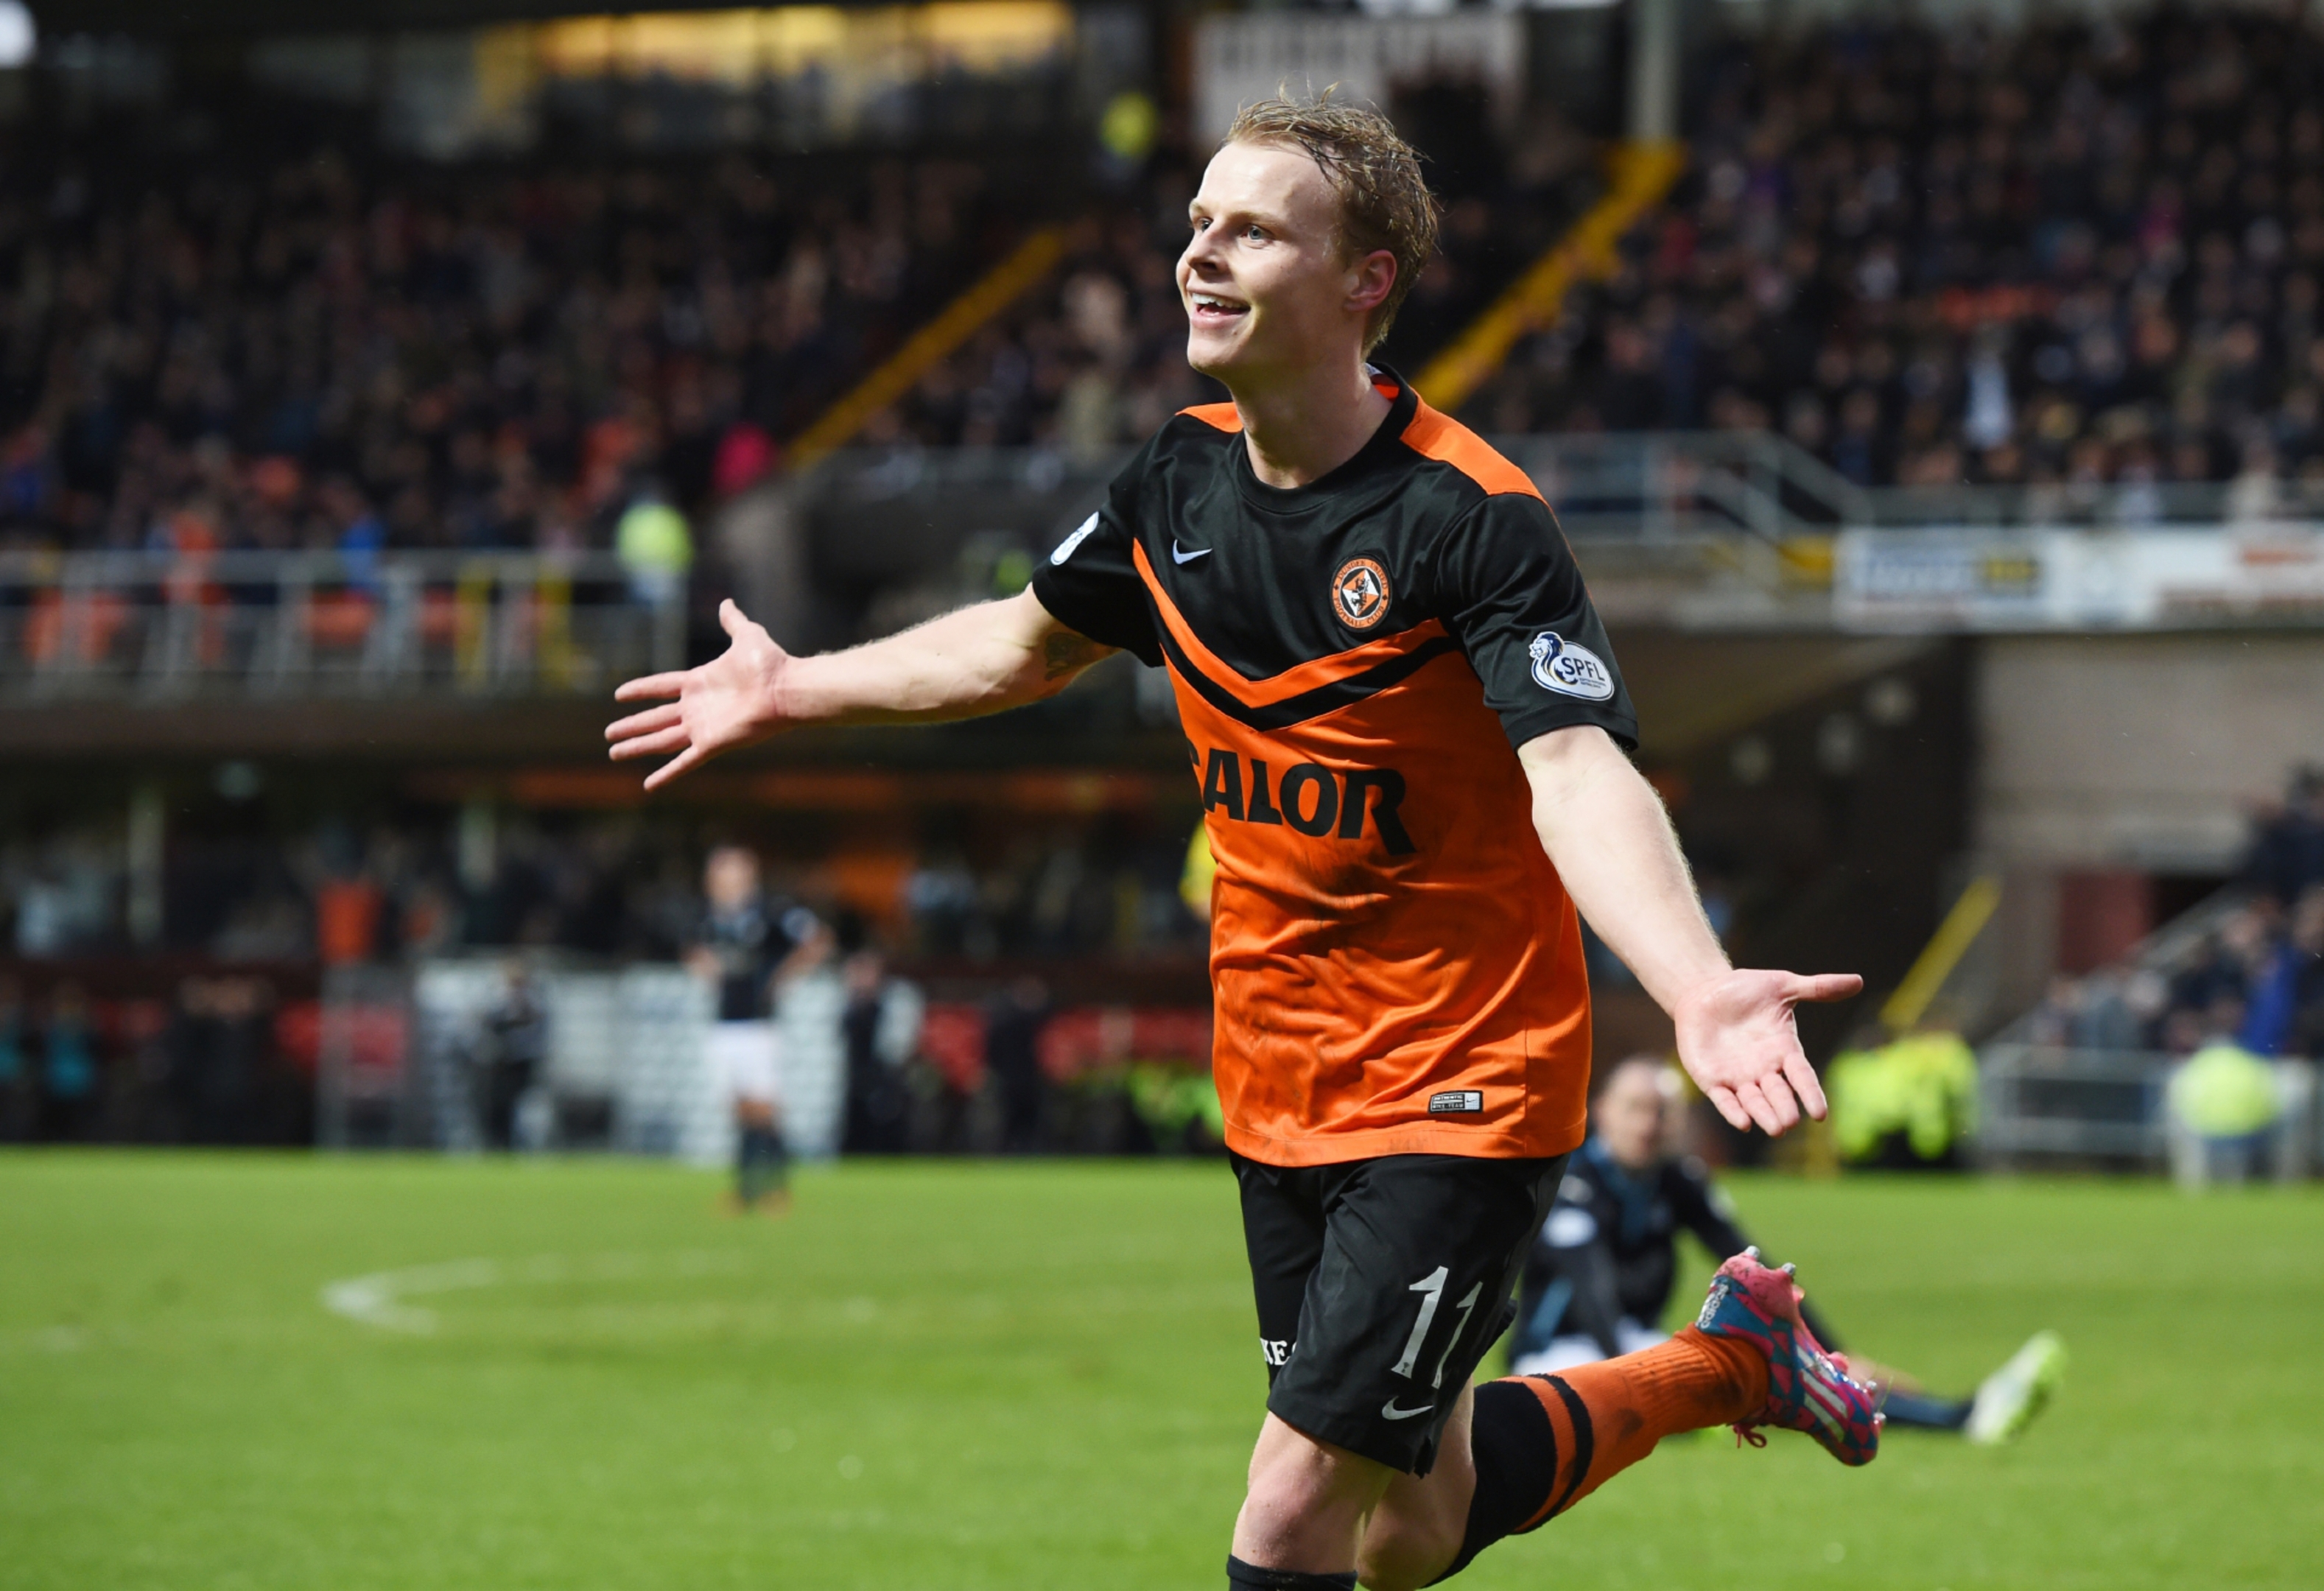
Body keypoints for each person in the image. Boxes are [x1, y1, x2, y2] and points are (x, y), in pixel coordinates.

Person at [608, 96, 1875, 1591]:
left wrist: (1693, 984)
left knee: (1283, 1518)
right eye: (1199, 222)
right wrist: (794, 684)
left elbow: (1575, 770)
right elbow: (1018, 647)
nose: (1199, 256)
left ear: (1364, 282)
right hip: (1275, 1075)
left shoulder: (1468, 518)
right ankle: (1731, 1362)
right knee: (1411, 1524)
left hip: (1459, 1083)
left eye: (1252, 229)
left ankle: (1725, 1362)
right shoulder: (1171, 484)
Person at [1513, 1056, 2065, 1445]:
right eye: (1634, 1108)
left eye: (1660, 1112)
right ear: (1601, 1110)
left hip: (1633, 1348)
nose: (1647, 1125)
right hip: (1557, 1360)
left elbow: (1759, 1272)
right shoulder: (1574, 1181)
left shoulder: (1676, 1180)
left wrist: (1832, 1354)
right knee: (1754, 1378)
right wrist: (1633, 1382)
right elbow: (1591, 1295)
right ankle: (1954, 1419)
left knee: (1777, 1368)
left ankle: (1952, 1415)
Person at [687, 846, 796, 1212]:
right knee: (739, 1110)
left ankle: (775, 1185)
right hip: (723, 1024)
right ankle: (747, 1188)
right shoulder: (708, 917)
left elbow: (814, 940)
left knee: (762, 1108)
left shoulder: (768, 913)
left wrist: (782, 978)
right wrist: (702, 966)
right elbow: (692, 949)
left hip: (758, 1024)